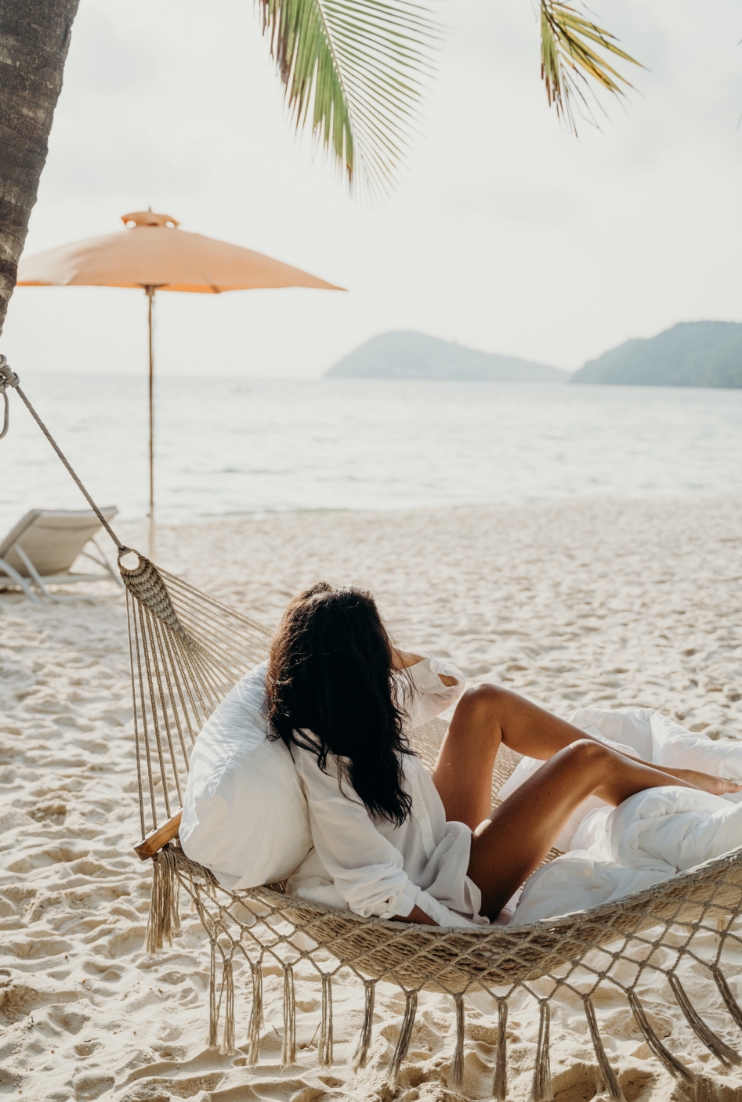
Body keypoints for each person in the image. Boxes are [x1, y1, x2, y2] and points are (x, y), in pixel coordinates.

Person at [267, 582, 741, 927]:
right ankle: (701, 792)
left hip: (441, 843)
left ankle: (668, 776)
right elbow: (372, 887)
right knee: (586, 760)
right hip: (452, 891)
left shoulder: (355, 710)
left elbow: (447, 688)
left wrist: (384, 652)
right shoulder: (323, 763)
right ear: (354, 662)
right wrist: (461, 933)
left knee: (484, 702)